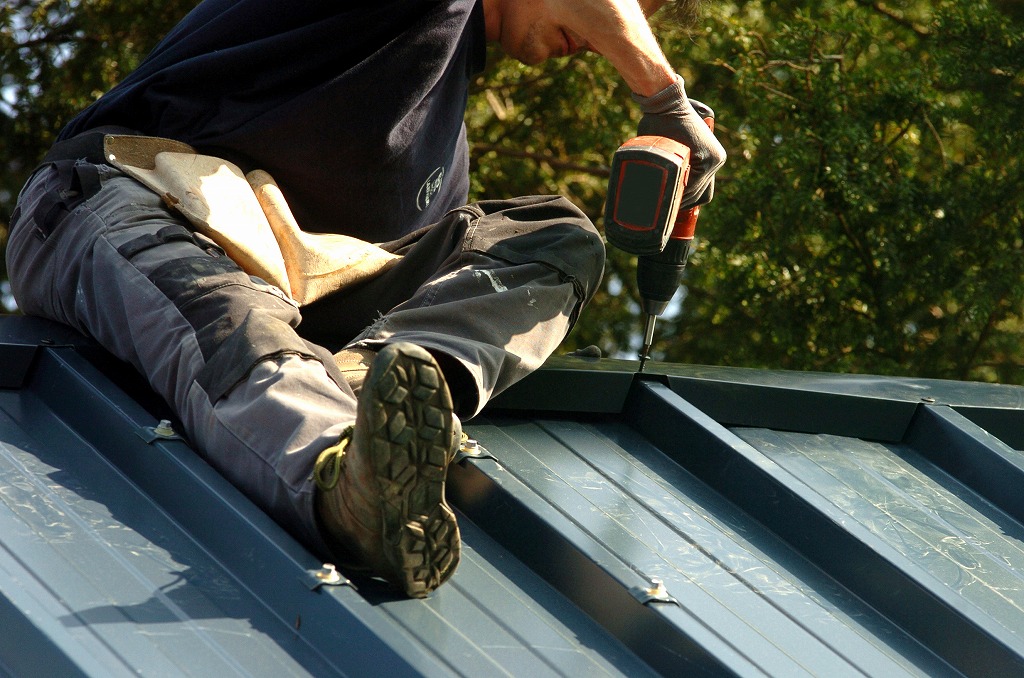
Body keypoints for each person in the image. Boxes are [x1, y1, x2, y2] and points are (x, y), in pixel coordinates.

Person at [6, 0, 725, 598]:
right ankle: (343, 478)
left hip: (308, 299)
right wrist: (661, 94)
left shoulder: (442, 158)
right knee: (231, 318)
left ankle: (362, 387)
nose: (611, 37)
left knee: (555, 237)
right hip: (126, 203)